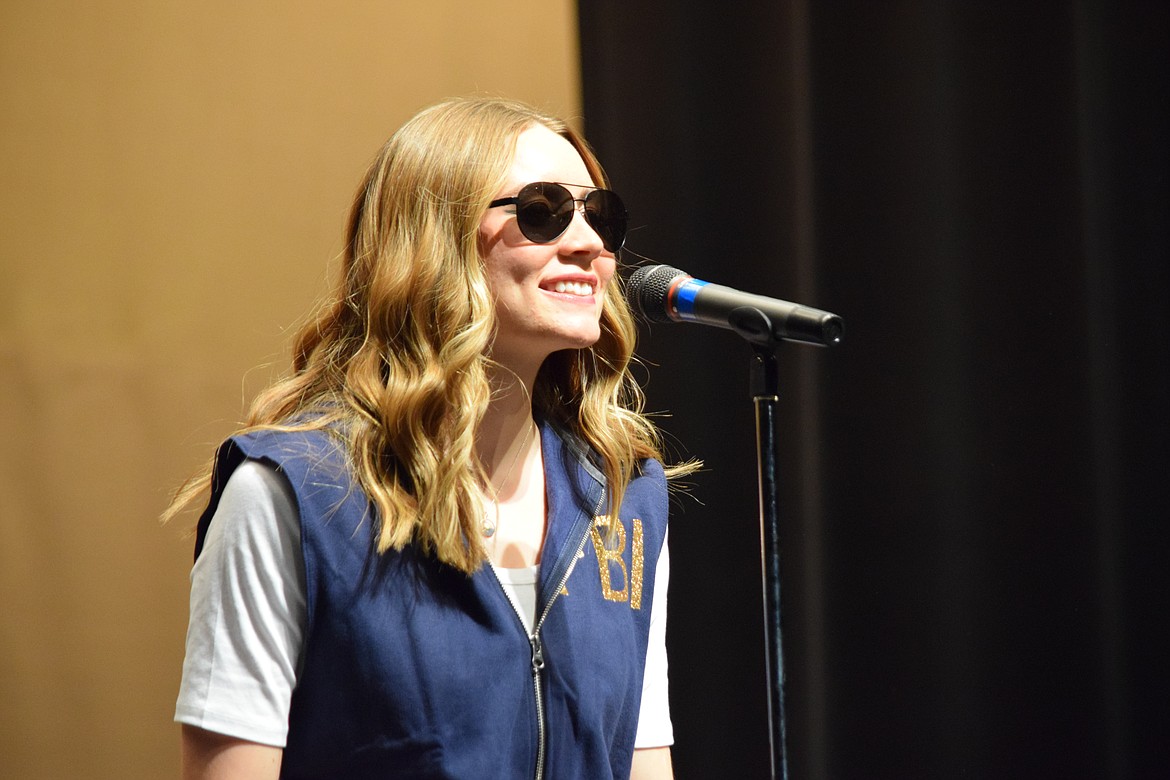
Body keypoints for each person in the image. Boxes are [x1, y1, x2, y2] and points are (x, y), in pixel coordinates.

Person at [167, 96, 695, 780]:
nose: (590, 244)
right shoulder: (294, 493)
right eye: (542, 211)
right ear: (432, 241)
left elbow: (642, 763)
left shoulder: (624, 499)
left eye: (600, 216)